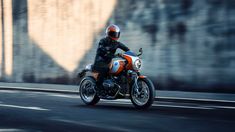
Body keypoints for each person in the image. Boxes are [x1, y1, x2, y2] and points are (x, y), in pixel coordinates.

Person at [93, 24, 130, 91]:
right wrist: (112, 54)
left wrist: (132, 54)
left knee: (122, 68)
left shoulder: (117, 43)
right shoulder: (103, 41)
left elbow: (127, 49)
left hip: (109, 61)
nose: (114, 35)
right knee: (105, 69)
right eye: (113, 34)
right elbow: (102, 49)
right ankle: (98, 87)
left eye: (116, 34)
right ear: (108, 33)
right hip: (100, 61)